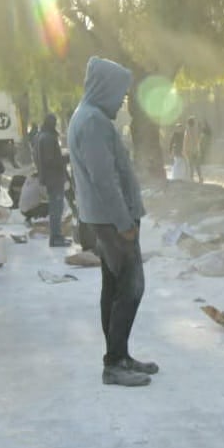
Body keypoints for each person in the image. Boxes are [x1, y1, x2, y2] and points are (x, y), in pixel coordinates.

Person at [68, 56, 157, 388]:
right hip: (111, 221)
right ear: (104, 89)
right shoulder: (93, 122)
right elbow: (104, 179)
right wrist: (124, 222)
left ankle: (120, 355)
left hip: (104, 219)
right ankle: (115, 363)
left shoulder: (88, 117)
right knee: (131, 289)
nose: (122, 101)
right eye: (119, 94)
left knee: (114, 287)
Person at [34, 113, 71, 247]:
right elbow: (50, 160)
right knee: (56, 209)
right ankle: (56, 238)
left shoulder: (39, 136)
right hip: (54, 178)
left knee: (55, 208)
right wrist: (65, 159)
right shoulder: (48, 138)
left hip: (48, 178)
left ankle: (56, 237)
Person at [184, 116, 203, 183]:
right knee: (197, 164)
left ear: (188, 123)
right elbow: (199, 138)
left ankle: (191, 178)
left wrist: (184, 150)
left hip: (189, 150)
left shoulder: (187, 131)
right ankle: (200, 177)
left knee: (190, 165)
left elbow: (186, 141)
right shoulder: (196, 130)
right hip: (196, 150)